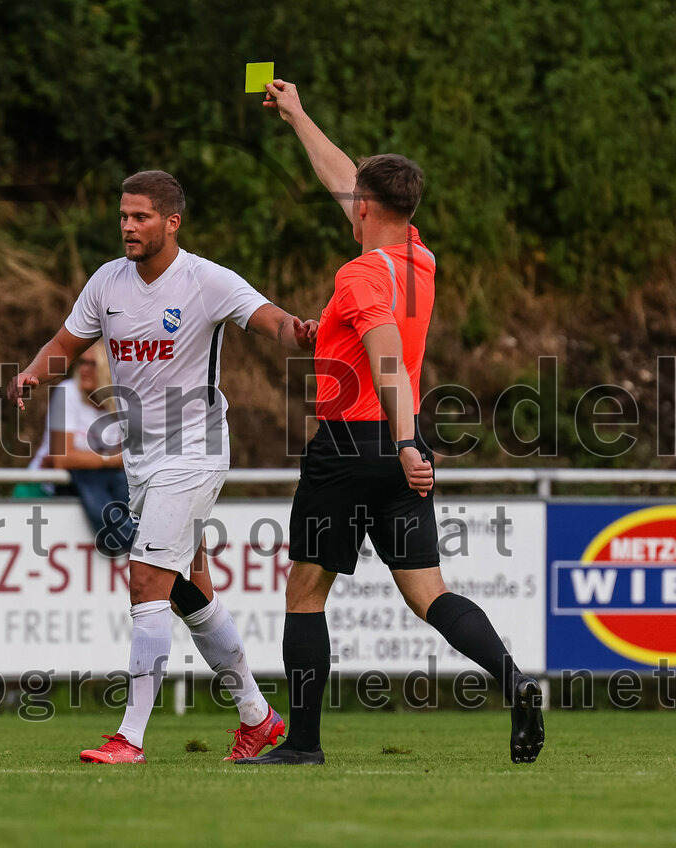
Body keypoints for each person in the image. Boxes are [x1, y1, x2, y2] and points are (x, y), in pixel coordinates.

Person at [236, 81, 544, 765]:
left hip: (354, 444)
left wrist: (403, 441)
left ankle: (304, 745)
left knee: (306, 590)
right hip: (405, 450)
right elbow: (347, 177)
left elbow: (388, 367)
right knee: (428, 591)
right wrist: (298, 116)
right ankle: (514, 680)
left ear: (365, 209)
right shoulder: (419, 258)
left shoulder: (359, 275)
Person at [8, 170, 318, 764]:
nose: (128, 225)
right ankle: (258, 716)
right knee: (187, 589)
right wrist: (31, 372)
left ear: (172, 222)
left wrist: (297, 331)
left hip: (195, 448)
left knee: (147, 577)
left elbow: (270, 318)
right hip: (141, 455)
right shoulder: (107, 282)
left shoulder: (204, 280)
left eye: (141, 216)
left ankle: (130, 737)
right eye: (124, 215)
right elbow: (66, 346)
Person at [26, 341, 135, 556]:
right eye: (82, 362)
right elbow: (62, 459)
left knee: (120, 481)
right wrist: (111, 459)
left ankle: (129, 535)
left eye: (92, 364)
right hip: (50, 489)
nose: (83, 369)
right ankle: (127, 537)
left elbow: (135, 457)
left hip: (108, 488)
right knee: (88, 474)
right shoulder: (66, 393)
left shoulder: (125, 402)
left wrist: (81, 458)